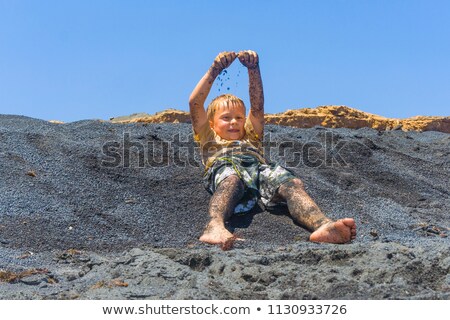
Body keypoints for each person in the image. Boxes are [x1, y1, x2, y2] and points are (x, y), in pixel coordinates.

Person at [189, 50, 356, 248]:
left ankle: (323, 225)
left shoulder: (250, 137)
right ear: (211, 123)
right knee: (231, 179)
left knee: (290, 183)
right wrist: (215, 69)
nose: (234, 122)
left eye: (239, 117)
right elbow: (195, 103)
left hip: (259, 169)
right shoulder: (209, 137)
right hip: (226, 166)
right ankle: (214, 226)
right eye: (226, 118)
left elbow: (257, 107)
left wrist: (253, 69)